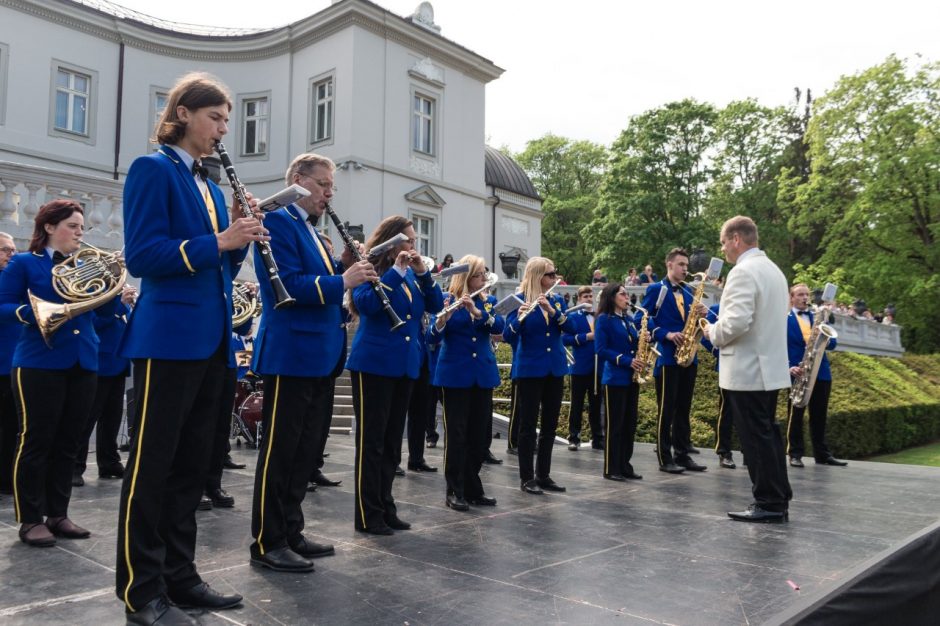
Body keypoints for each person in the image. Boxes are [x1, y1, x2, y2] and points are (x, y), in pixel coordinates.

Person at [116, 72, 262, 624]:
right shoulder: (153, 168)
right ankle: (141, 590)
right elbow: (144, 257)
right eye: (216, 118)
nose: (224, 129)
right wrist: (220, 240)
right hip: (167, 340)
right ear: (183, 114)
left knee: (191, 469)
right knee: (151, 468)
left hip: (211, 341)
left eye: (227, 118)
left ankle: (180, 576)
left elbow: (217, 268)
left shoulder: (210, 185)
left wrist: (240, 240)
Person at [249, 152, 375, 570]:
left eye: (331, 188)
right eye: (323, 185)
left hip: (319, 353)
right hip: (291, 353)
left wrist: (341, 264)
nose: (328, 194)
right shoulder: (277, 221)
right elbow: (286, 285)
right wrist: (343, 279)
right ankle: (268, 542)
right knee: (280, 451)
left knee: (305, 453)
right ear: (299, 181)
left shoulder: (309, 230)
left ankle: (291, 530)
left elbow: (318, 284)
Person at [0, 201, 99, 547]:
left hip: (83, 361)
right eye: (72, 226)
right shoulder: (25, 263)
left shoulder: (86, 263)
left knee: (69, 444)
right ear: (48, 228)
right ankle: (30, 519)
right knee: (35, 441)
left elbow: (106, 309)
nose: (79, 232)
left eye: (82, 227)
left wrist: (112, 284)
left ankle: (58, 513)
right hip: (38, 362)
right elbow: (2, 305)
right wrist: (36, 313)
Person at [346, 215, 444, 535]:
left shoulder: (412, 276)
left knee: (391, 443)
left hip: (404, 365)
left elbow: (435, 303)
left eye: (415, 240)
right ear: (392, 241)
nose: (414, 246)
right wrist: (397, 272)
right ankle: (367, 512)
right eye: (409, 240)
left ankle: (386, 506)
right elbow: (365, 304)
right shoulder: (370, 268)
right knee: (372, 442)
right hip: (373, 363)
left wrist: (422, 273)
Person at [702, 216, 792, 523]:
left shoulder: (743, 272)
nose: (723, 248)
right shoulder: (774, 271)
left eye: (724, 242)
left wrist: (712, 332)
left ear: (737, 239)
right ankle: (778, 497)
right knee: (768, 435)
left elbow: (737, 322)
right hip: (769, 369)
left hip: (748, 370)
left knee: (756, 439)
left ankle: (767, 501)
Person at [430, 254, 504, 511]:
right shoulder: (447, 299)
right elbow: (432, 334)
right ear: (467, 276)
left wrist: (476, 311)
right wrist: (443, 320)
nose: (484, 278)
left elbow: (499, 327)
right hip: (454, 375)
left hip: (482, 375)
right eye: (479, 274)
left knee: (478, 437)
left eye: (484, 273)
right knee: (457, 435)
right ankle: (455, 490)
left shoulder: (488, 301)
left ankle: (472, 487)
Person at [503, 256, 575, 494]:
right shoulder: (519, 300)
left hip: (555, 368)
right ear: (537, 276)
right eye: (550, 274)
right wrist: (520, 318)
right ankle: (526, 478)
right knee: (527, 425)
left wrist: (552, 312)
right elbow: (508, 334)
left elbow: (570, 328)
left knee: (550, 426)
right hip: (530, 369)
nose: (554, 278)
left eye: (554, 274)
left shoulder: (555, 300)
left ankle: (543, 474)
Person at [638, 248, 706, 474]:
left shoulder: (688, 291)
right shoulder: (656, 289)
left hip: (689, 357)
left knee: (684, 409)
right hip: (668, 358)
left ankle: (683, 454)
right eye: (681, 264)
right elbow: (641, 320)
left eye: (686, 265)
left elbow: (693, 323)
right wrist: (666, 334)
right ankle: (664, 457)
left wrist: (700, 316)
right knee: (667, 409)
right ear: (669, 265)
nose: (686, 269)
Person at [74, 284, 136, 486]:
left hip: (117, 364)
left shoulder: (119, 299)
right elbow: (94, 323)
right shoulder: (96, 296)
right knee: (86, 419)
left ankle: (109, 462)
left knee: (112, 419)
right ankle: (75, 466)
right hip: (99, 364)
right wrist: (119, 305)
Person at [785, 284, 847, 468]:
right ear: (791, 298)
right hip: (798, 370)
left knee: (819, 415)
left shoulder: (818, 317)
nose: (805, 297)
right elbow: (777, 346)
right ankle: (794, 453)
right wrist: (788, 367)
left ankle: (822, 454)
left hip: (821, 371)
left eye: (806, 294)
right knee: (795, 414)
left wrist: (823, 332)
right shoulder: (784, 318)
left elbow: (833, 343)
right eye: (800, 295)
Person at [594, 283, 644, 481]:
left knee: (629, 424)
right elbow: (601, 350)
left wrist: (643, 338)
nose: (627, 297)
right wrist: (627, 360)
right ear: (612, 297)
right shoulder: (604, 320)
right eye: (623, 294)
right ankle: (611, 468)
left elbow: (632, 344)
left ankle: (625, 465)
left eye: (627, 294)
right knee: (615, 425)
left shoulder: (629, 320)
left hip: (632, 378)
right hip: (615, 377)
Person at [562, 286, 602, 451]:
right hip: (579, 366)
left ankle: (598, 438)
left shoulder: (600, 316)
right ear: (578, 299)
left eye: (590, 296)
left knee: (596, 405)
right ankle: (574, 438)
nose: (589, 299)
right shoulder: (573, 316)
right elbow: (565, 339)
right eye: (585, 296)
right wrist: (586, 337)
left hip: (598, 366)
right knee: (576, 404)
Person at [700, 303, 737, 469]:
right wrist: (718, 352)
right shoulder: (715, 308)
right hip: (727, 365)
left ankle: (749, 453)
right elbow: (704, 333)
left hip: (749, 366)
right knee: (726, 411)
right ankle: (724, 452)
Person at [0, 232, 20, 497]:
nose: (11, 255)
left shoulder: (14, 280)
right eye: (5, 250)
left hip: (13, 365)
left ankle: (6, 478)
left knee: (12, 427)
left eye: (13, 250)